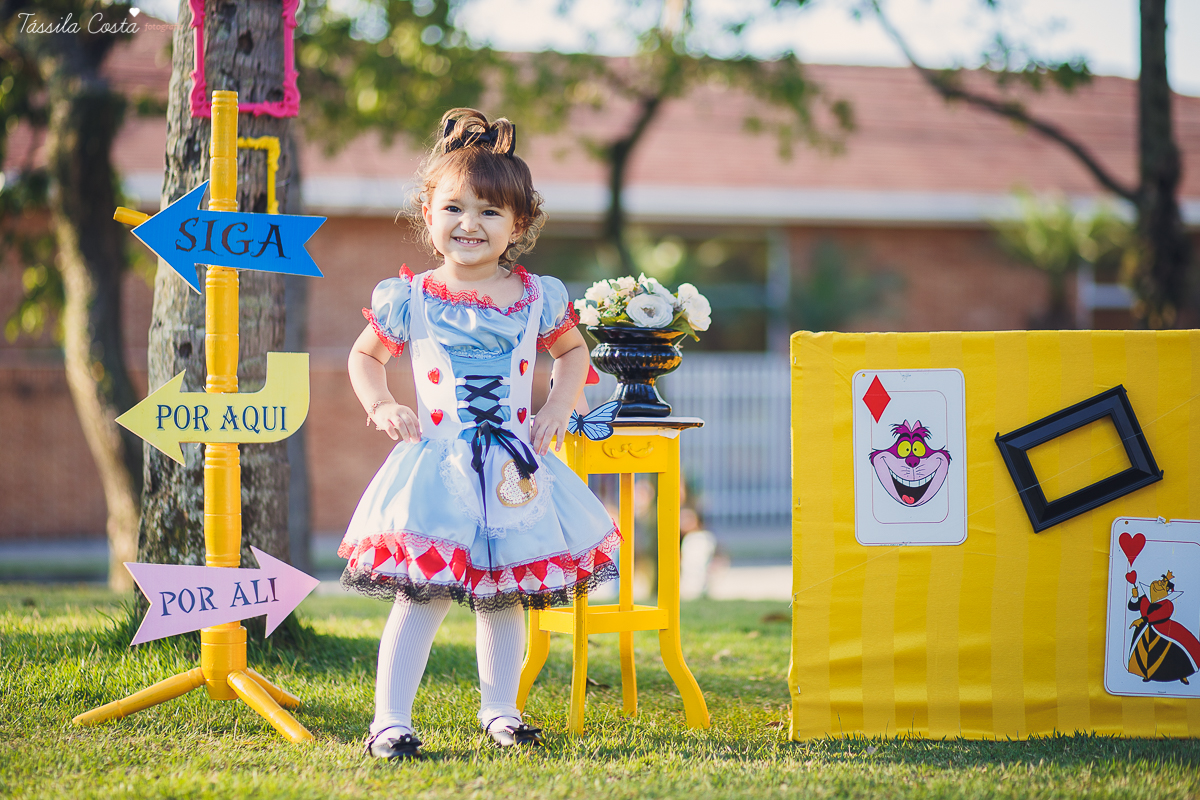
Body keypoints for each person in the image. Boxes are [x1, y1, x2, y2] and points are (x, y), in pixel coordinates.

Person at [338, 108, 620, 760]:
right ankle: (390, 721)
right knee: (424, 594)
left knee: (505, 597)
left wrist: (556, 408)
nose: (470, 224)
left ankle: (501, 711)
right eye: (455, 208)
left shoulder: (536, 295)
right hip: (437, 468)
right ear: (428, 213)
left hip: (514, 471)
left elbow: (574, 354)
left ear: (519, 225)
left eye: (491, 213)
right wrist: (380, 406)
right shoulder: (411, 298)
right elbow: (364, 357)